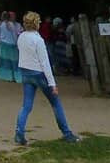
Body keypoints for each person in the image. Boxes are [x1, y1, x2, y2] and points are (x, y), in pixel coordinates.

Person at [14, 11, 81, 145]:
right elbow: (45, 63)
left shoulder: (21, 37)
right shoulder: (38, 40)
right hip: (39, 74)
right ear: (36, 24)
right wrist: (52, 84)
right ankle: (67, 134)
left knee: (26, 106)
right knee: (56, 103)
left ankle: (19, 133)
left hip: (26, 72)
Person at [0, 10, 21, 83]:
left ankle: (7, 76)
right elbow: (14, 35)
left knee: (5, 61)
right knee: (14, 62)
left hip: (3, 44)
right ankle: (15, 77)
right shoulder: (11, 24)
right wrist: (16, 43)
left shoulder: (0, 24)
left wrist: (1, 41)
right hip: (11, 45)